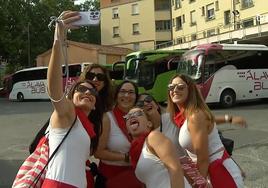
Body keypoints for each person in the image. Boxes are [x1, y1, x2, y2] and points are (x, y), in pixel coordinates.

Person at [43, 11, 103, 187]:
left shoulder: (87, 126)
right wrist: (58, 42)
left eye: (93, 92)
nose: (88, 92)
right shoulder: (67, 113)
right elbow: (54, 91)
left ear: (95, 105)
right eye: (81, 88)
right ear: (71, 96)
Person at [167, 74, 244, 188]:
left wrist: (198, 184)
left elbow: (203, 158)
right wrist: (229, 119)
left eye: (180, 87)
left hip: (219, 172)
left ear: (190, 90)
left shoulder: (195, 116)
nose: (175, 90)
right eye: (171, 87)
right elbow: (210, 119)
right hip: (209, 172)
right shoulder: (188, 116)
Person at [94, 80, 143, 188]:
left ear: (136, 97)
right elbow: (98, 152)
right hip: (110, 178)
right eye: (123, 91)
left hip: (137, 178)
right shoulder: (107, 118)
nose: (126, 95)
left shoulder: (142, 118)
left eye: (131, 92)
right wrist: (127, 158)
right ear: (116, 96)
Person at [125, 106, 185, 188]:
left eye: (138, 114)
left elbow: (176, 169)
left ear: (149, 124)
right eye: (127, 116)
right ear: (127, 130)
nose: (132, 116)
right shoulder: (135, 153)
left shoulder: (154, 137)